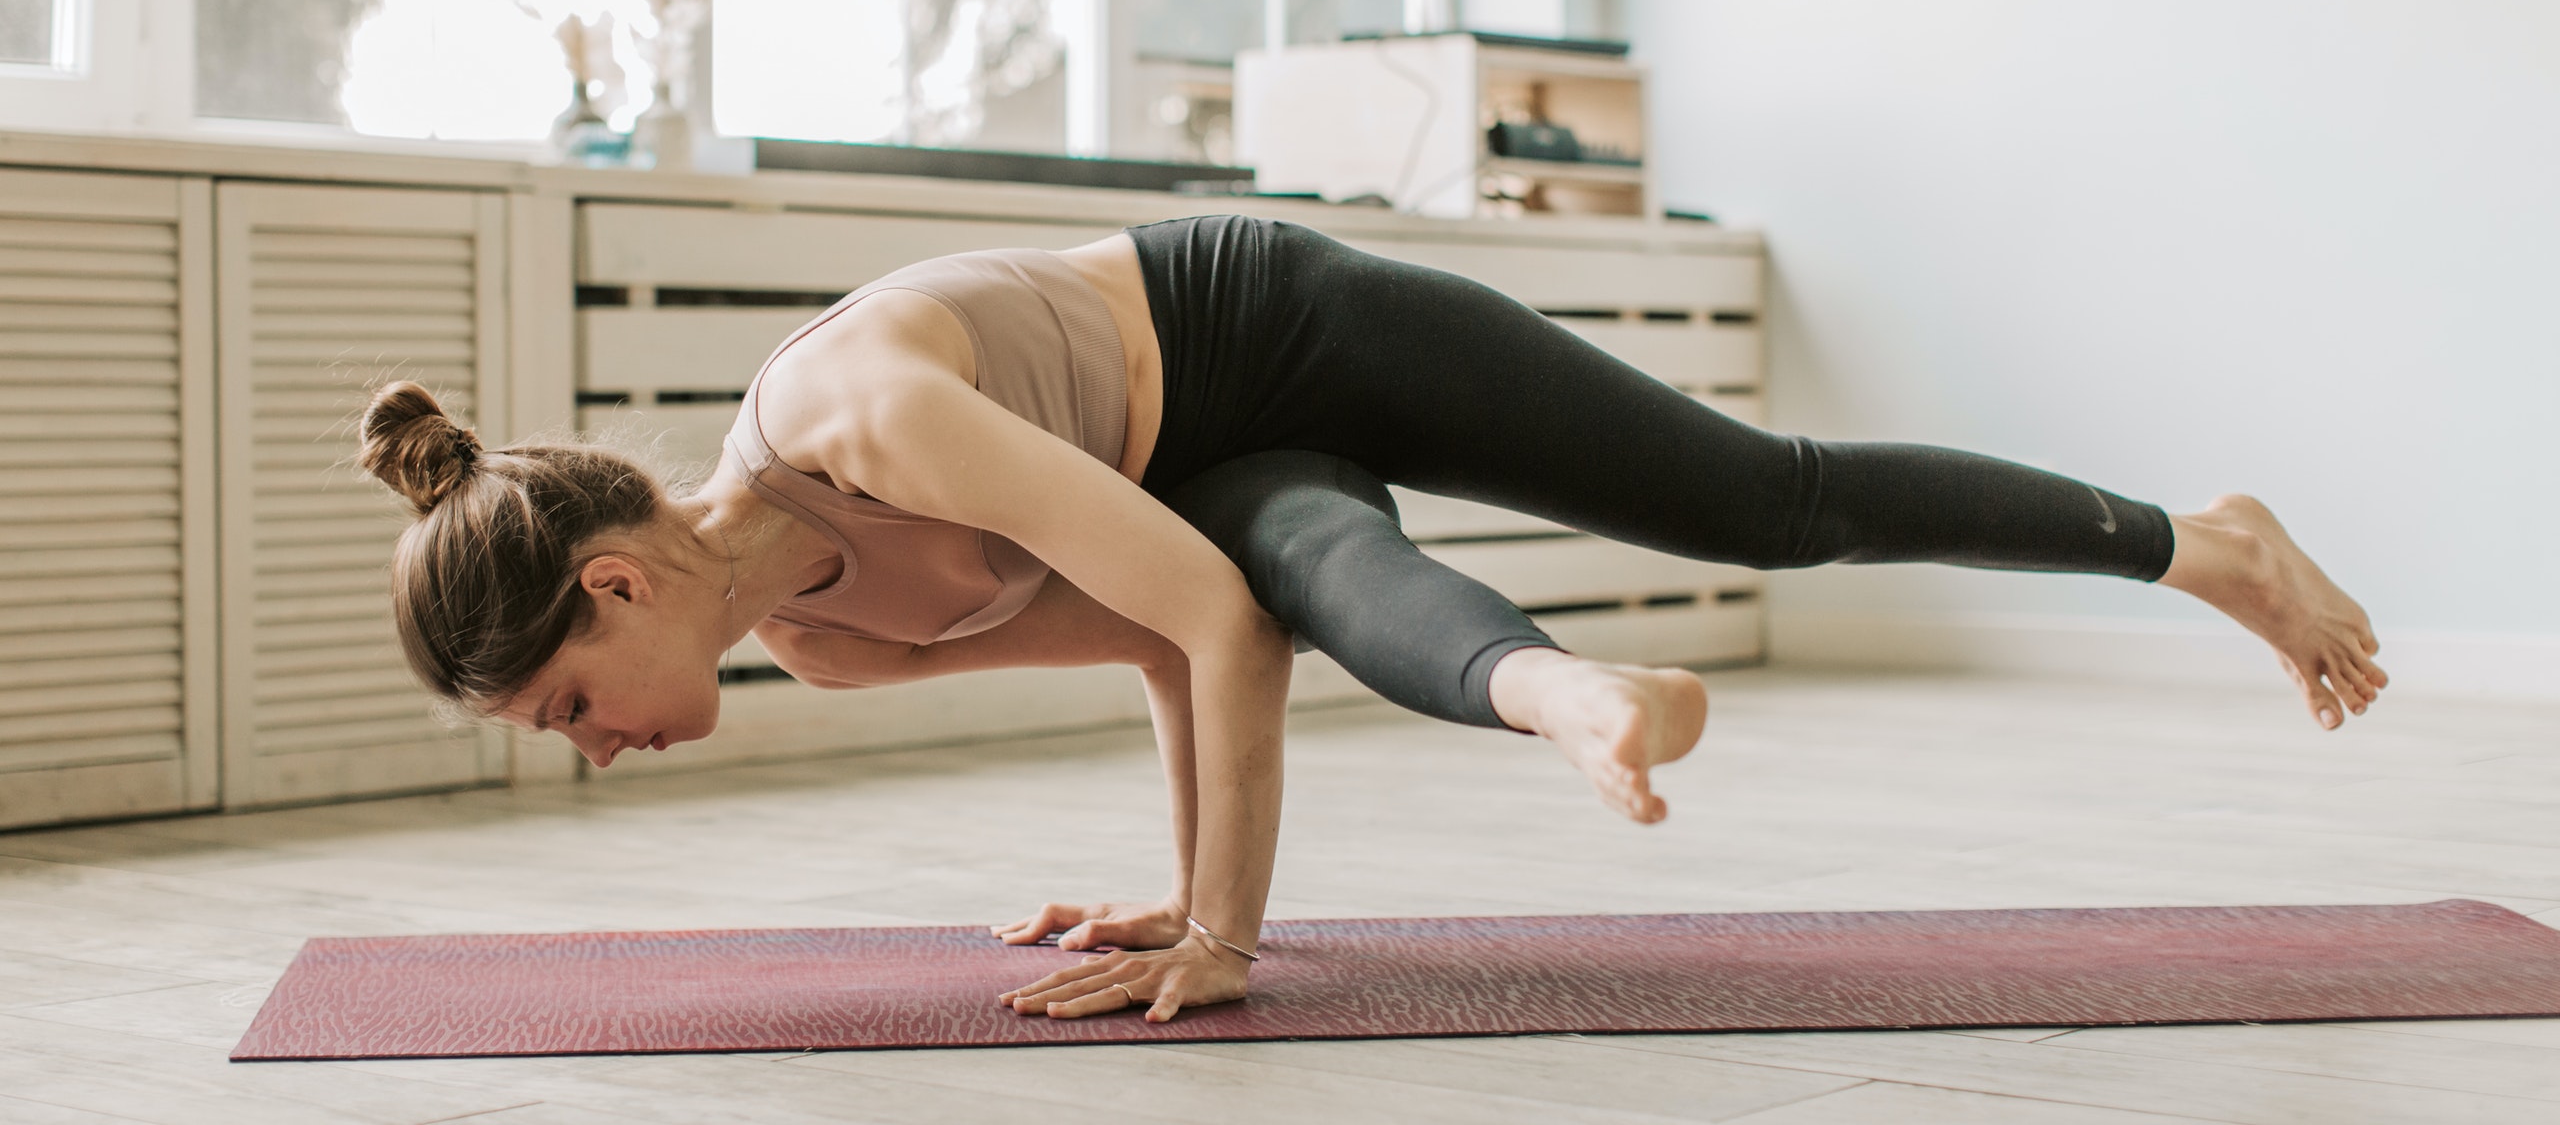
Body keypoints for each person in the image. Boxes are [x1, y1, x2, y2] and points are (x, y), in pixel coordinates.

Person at [356, 214, 2384, 1024]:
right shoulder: (820, 640)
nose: (590, 749)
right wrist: (1181, 897)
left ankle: (2194, 541)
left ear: (614, 586)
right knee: (1312, 571)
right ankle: (1572, 699)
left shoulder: (855, 418)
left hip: (1280, 326)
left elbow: (1200, 632)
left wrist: (1232, 933)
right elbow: (1184, 627)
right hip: (1208, 479)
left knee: (1764, 505)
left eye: (560, 705)